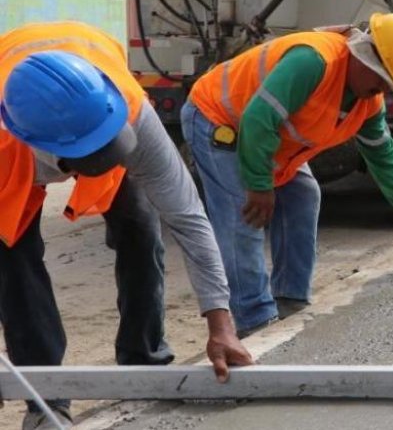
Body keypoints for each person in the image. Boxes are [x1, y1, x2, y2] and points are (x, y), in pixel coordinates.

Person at [0, 22, 252, 430]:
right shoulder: (8, 146)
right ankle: (44, 399)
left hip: (92, 101)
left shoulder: (128, 110)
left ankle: (143, 361)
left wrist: (221, 325)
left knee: (141, 231)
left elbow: (188, 216)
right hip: (14, 150)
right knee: (14, 261)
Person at [181, 13, 393, 336]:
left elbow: (382, 154)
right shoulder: (313, 62)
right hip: (219, 119)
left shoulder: (368, 100)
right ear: (364, 57)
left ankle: (290, 299)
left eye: (390, 84)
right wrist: (260, 186)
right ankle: (254, 320)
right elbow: (258, 119)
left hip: (268, 139)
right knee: (244, 215)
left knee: (303, 194)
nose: (383, 90)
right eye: (382, 79)